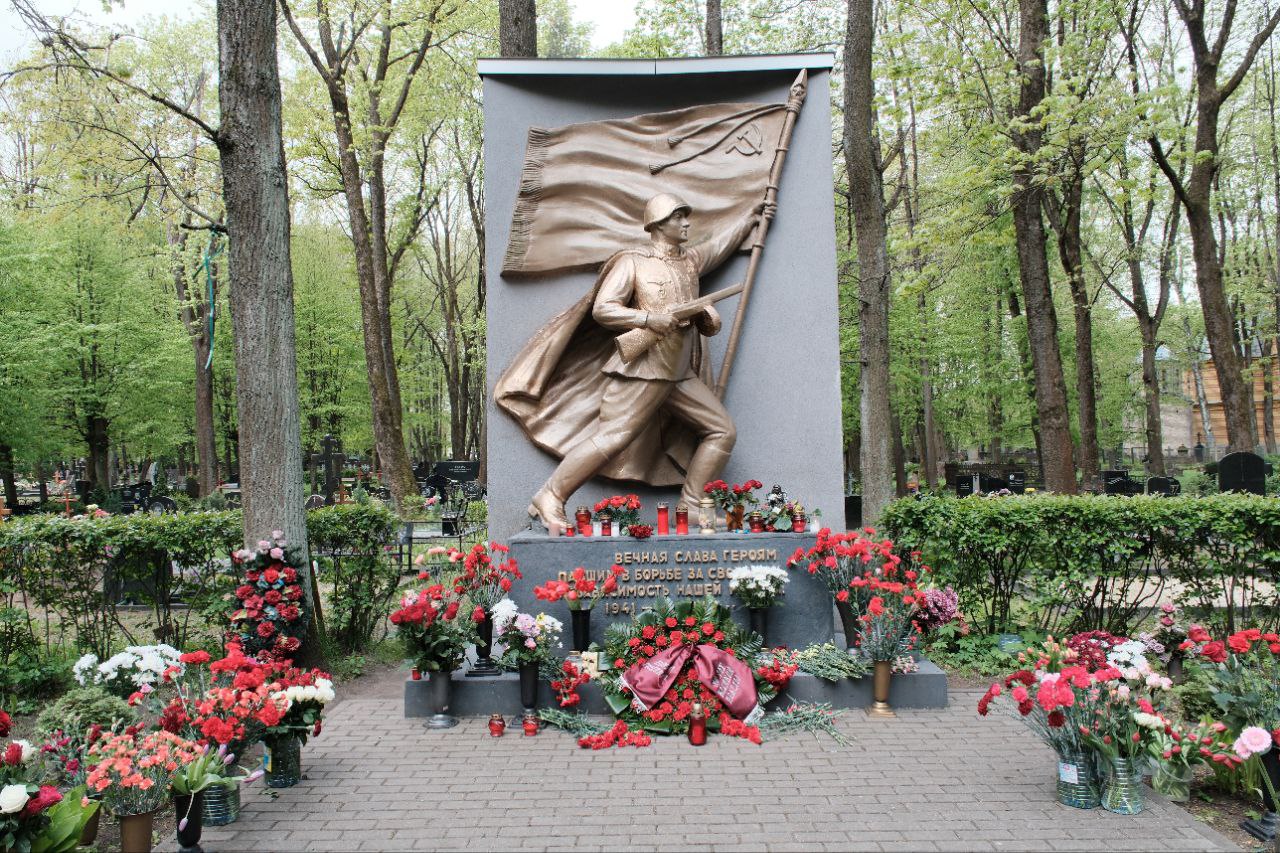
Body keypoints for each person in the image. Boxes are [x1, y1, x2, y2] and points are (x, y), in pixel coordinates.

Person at [525, 192, 773, 530]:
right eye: (678, 217)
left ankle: (692, 505)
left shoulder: (690, 261)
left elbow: (719, 245)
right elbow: (603, 308)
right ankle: (551, 495)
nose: (686, 223)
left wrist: (751, 218)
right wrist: (647, 319)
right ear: (658, 223)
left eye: (685, 217)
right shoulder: (633, 262)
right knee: (613, 437)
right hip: (642, 370)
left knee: (722, 431)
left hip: (677, 372)